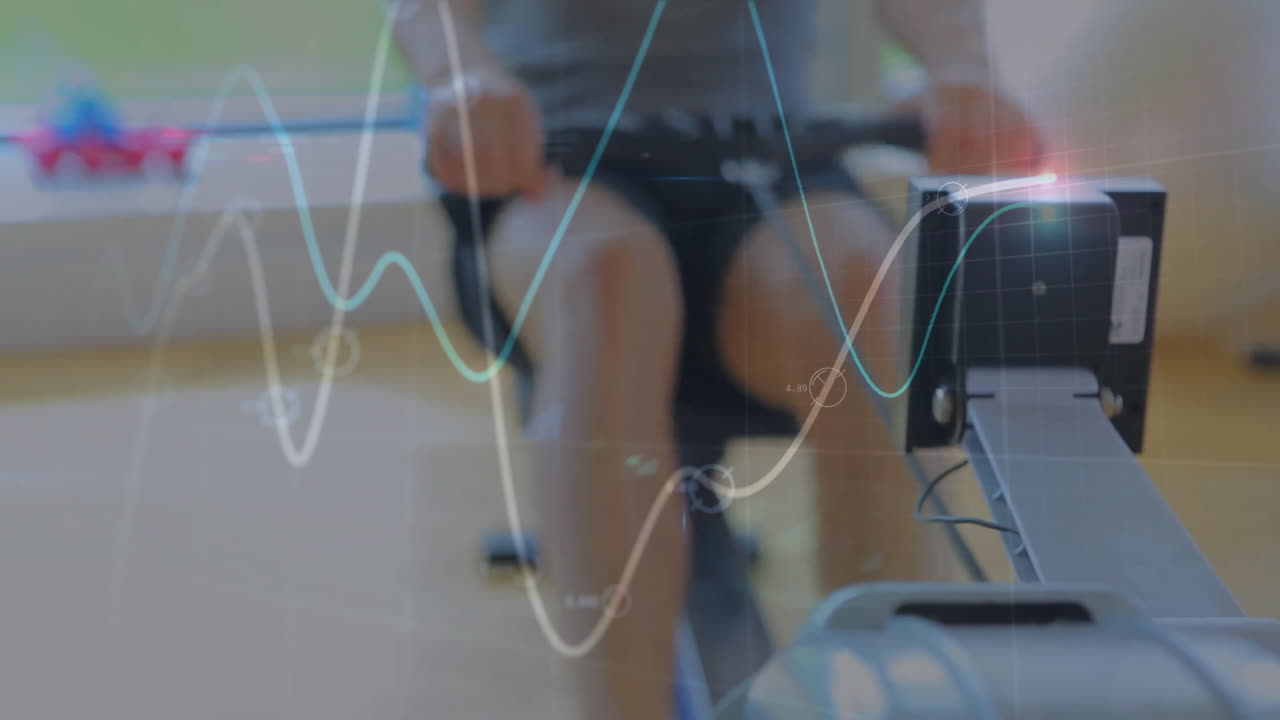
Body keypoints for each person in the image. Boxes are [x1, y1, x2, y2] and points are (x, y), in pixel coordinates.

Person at [393, 1, 1044, 718]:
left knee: (868, 291)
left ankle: (885, 695)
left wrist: (963, 71)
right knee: (608, 281)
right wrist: (464, 74)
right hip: (558, 163)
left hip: (769, 159)